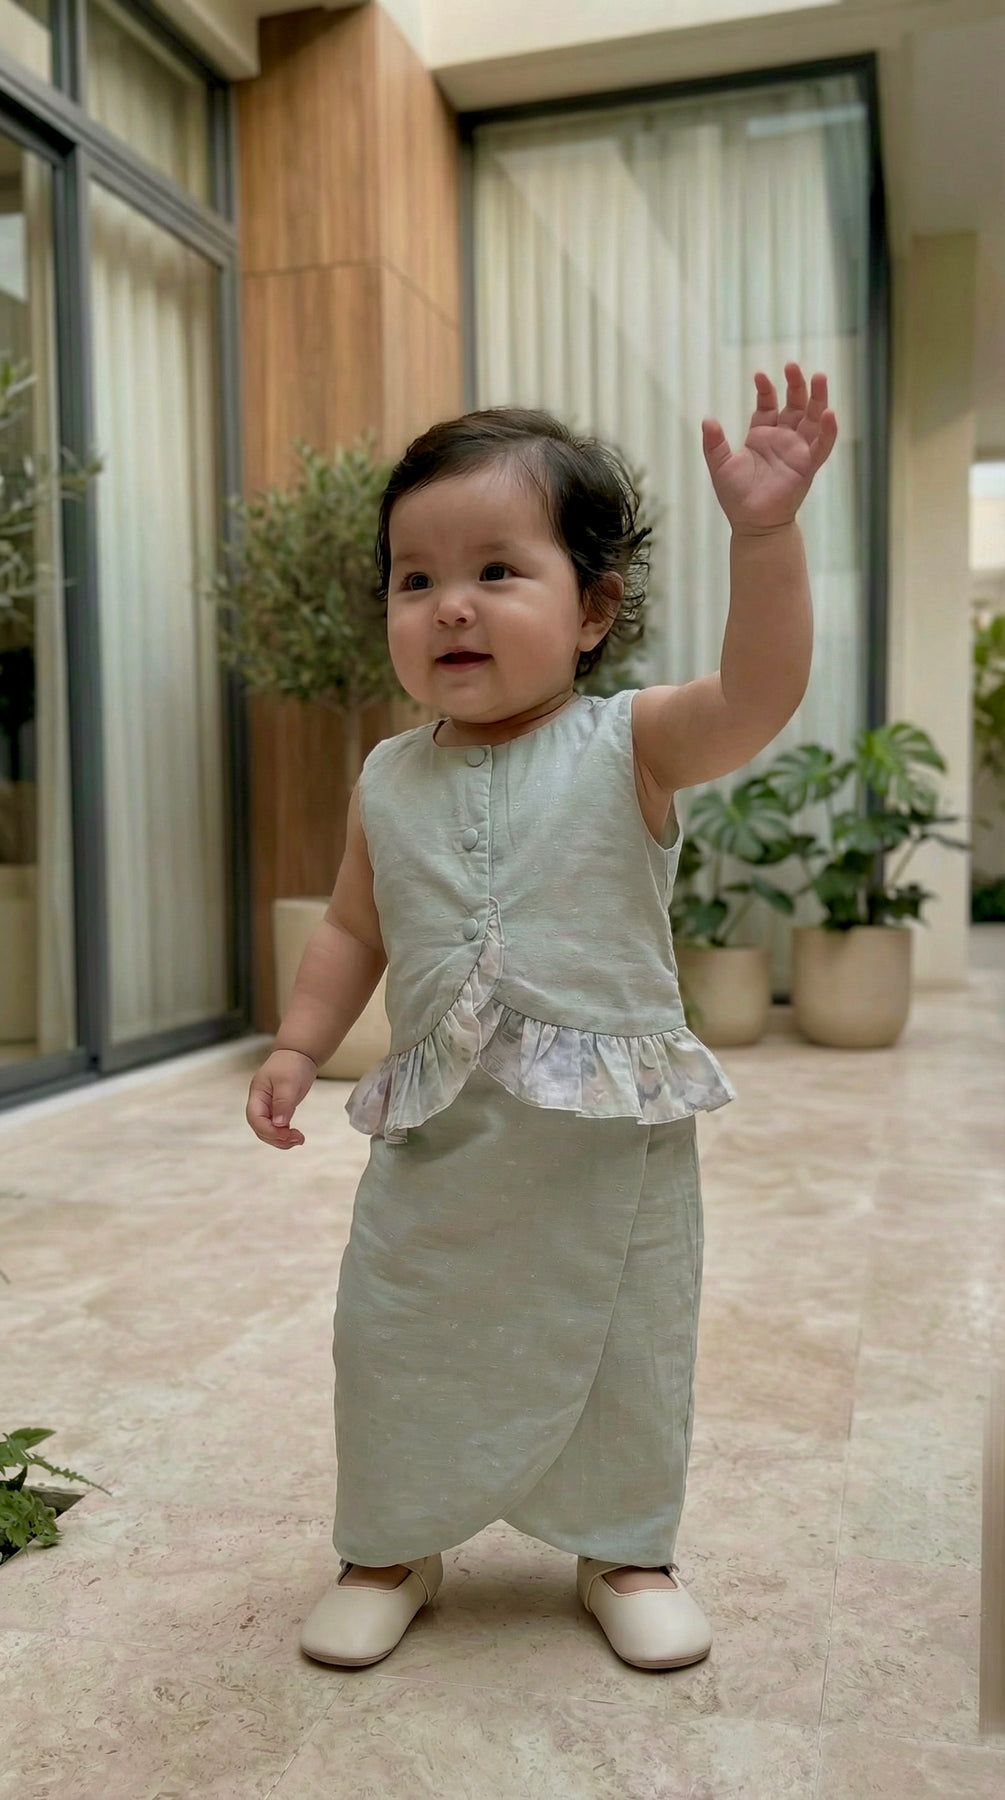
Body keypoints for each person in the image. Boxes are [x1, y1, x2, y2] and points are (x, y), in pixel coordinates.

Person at [246, 365, 837, 1672]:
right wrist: (297, 1043)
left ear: (593, 610)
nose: (449, 604)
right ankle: (389, 1545)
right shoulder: (387, 778)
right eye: (414, 579)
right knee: (393, 1332)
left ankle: (626, 1550)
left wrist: (764, 536)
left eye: (497, 571)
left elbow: (758, 695)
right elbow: (351, 926)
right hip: (438, 1148)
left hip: (606, 1153)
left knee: (626, 1344)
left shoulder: (632, 743)